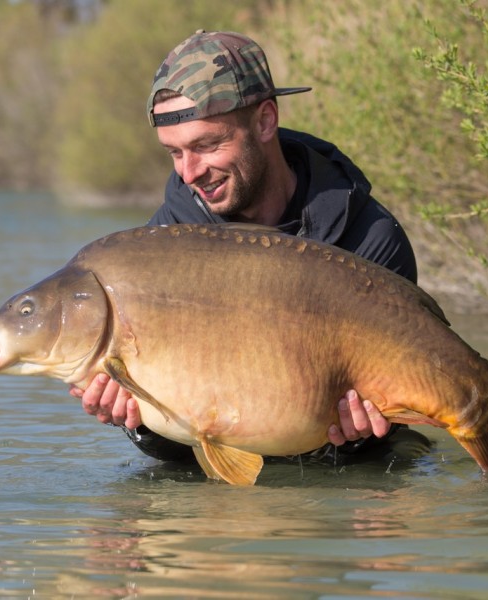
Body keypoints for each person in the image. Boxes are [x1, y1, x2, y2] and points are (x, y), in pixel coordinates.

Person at [69, 30, 431, 466]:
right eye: (174, 153)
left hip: (352, 477)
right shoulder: (162, 248)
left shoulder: (368, 237)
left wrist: (356, 439)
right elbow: (183, 450)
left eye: (206, 145)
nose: (189, 173)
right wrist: (139, 423)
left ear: (264, 121)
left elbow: (405, 401)